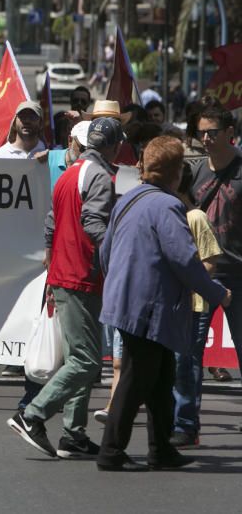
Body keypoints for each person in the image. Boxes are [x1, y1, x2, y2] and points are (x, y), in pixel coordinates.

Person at [96, 137, 230, 472]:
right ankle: (111, 451)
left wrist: (118, 282)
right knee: (137, 378)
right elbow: (184, 260)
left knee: (160, 378)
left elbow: (104, 252)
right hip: (149, 306)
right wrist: (216, 293)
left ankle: (161, 450)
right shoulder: (167, 206)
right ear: (175, 172)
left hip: (126, 301)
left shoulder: (128, 200)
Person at [8, 117, 123, 459]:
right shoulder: (99, 175)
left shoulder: (70, 172)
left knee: (79, 358)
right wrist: (118, 253)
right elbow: (93, 223)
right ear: (114, 145)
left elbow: (52, 223)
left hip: (65, 273)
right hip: (81, 275)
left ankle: (73, 433)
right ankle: (32, 414)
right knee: (87, 361)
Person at [181, 104, 242, 430]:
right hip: (201, 274)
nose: (205, 138)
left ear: (229, 133)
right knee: (190, 354)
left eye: (212, 132)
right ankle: (186, 425)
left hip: (238, 276)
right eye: (201, 132)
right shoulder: (195, 171)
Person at [168, 162, 223, 447]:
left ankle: (187, 425)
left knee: (187, 363)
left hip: (196, 304)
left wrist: (189, 282)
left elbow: (211, 260)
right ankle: (177, 421)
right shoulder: (167, 213)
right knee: (174, 363)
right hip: (172, 304)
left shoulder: (196, 216)